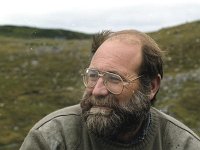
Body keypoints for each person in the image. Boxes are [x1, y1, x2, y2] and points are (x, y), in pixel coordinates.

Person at [20, 29, 200, 150]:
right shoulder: (51, 138)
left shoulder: (183, 144)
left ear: (151, 87)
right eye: (93, 76)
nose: (98, 90)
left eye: (114, 79)